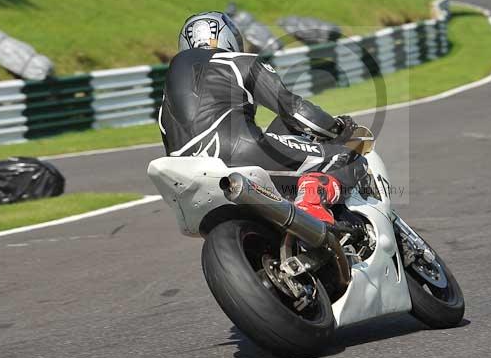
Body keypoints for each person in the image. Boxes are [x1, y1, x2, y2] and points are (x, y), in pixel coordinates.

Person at [158, 11, 368, 223]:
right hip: (238, 152)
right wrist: (337, 128)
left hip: (185, 174)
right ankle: (312, 202)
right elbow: (296, 111)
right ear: (228, 37)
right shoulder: (239, 61)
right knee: (349, 158)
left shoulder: (165, 97)